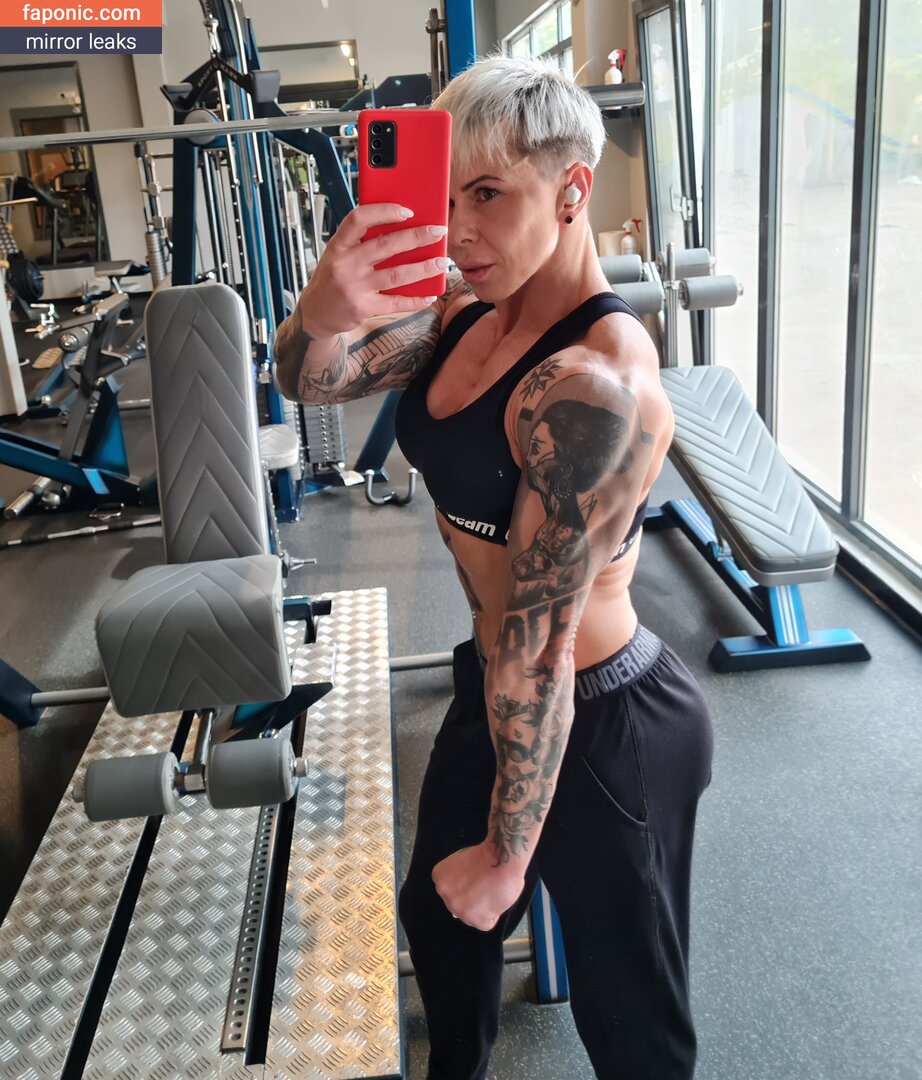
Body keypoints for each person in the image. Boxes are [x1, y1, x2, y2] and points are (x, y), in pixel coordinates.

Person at [274, 54, 714, 1080]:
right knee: (436, 919)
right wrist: (324, 308)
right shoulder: (464, 312)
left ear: (571, 191)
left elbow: (542, 638)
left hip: (602, 718)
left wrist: (509, 854)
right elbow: (311, 379)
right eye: (444, 199)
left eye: (486, 195)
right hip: (498, 682)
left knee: (633, 1021)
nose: (457, 230)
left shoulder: (594, 386)